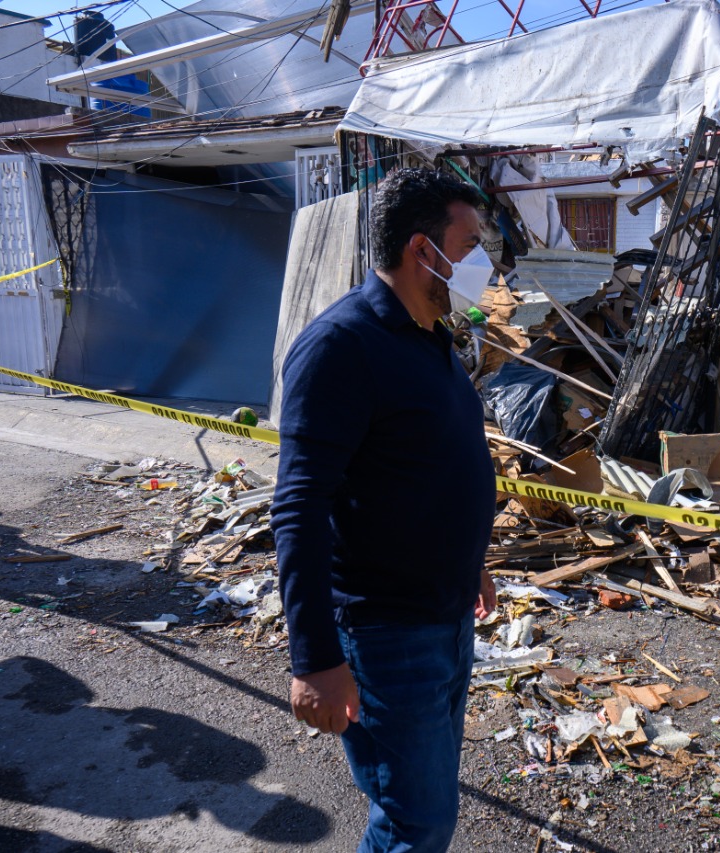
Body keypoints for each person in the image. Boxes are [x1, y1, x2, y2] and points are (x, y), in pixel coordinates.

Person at [271, 167, 499, 853]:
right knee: (414, 821)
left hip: (445, 616)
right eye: (470, 244)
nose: (483, 262)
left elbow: (426, 466)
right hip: (387, 632)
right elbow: (299, 506)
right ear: (421, 249)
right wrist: (315, 658)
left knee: (426, 810)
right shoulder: (342, 347)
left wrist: (471, 561)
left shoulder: (430, 336)